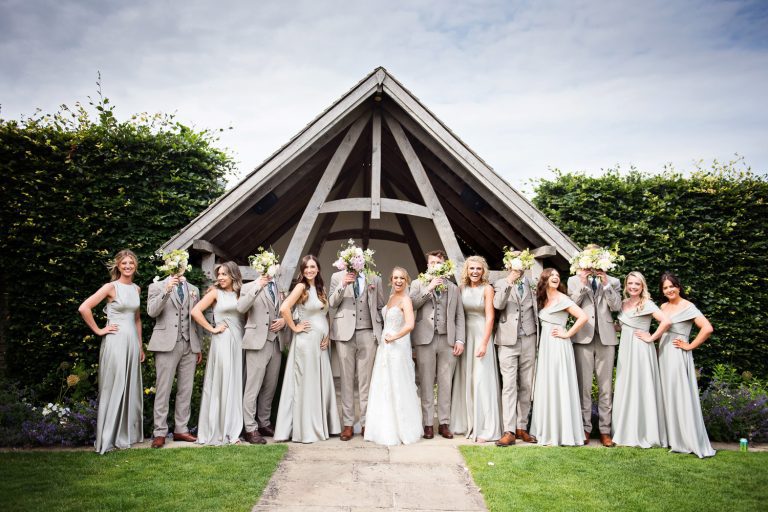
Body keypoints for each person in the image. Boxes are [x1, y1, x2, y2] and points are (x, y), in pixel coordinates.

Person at [78, 249, 144, 454]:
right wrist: (99, 330)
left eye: (131, 263)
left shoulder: (136, 289)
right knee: (114, 385)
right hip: (115, 342)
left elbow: (137, 319)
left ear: (135, 266)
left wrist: (140, 345)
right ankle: (107, 437)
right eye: (124, 263)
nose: (127, 266)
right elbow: (84, 308)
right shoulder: (110, 287)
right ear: (118, 266)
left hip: (132, 342)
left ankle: (124, 436)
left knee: (129, 386)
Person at [274, 255, 341, 443]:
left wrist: (327, 335)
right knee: (306, 383)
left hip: (320, 344)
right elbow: (284, 308)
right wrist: (295, 327)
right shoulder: (301, 287)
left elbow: (324, 315)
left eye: (313, 267)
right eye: (306, 267)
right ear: (302, 271)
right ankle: (305, 428)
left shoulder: (320, 289)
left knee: (319, 382)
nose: (309, 270)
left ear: (318, 269)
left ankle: (320, 423)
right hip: (306, 342)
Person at [567, 245, 622, 447]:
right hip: (583, 337)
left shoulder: (613, 281)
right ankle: (585, 428)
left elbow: (617, 306)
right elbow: (571, 305)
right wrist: (583, 283)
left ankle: (605, 430)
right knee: (584, 387)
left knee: (606, 387)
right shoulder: (573, 280)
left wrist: (606, 284)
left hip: (606, 338)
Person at [658, 272, 716, 458]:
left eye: (671, 286)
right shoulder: (663, 306)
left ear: (678, 287)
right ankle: (671, 437)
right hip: (662, 353)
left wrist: (689, 346)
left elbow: (707, 328)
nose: (669, 290)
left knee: (679, 393)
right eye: (665, 288)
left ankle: (685, 439)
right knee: (666, 393)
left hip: (677, 354)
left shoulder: (688, 306)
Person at [328, 253, 385, 441]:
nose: (355, 263)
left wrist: (382, 331)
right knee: (346, 380)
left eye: (358, 260)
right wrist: (343, 284)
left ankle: (366, 422)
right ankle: (348, 424)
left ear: (363, 261)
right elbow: (331, 303)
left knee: (365, 381)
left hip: (368, 333)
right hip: (344, 334)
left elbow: (380, 307)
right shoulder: (337, 277)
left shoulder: (375, 278)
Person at [409, 250, 466, 439]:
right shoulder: (417, 284)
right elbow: (411, 305)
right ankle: (427, 424)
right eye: (432, 263)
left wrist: (460, 340)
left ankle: (444, 423)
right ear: (428, 265)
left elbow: (459, 316)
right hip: (424, 339)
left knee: (445, 383)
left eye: (439, 263)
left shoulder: (453, 288)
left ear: (444, 265)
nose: (435, 266)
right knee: (426, 382)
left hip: (447, 340)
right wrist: (429, 288)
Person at [529, 268, 588, 446]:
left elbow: (583, 317)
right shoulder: (542, 299)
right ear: (544, 280)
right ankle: (546, 429)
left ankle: (562, 431)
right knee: (547, 384)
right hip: (546, 347)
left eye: (557, 276)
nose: (555, 278)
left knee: (559, 382)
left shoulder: (563, 299)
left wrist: (567, 333)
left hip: (558, 345)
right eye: (551, 275)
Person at [364, 267, 422, 445]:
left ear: (406, 281)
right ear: (391, 280)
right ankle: (383, 426)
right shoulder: (390, 298)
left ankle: (402, 428)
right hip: (385, 346)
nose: (398, 281)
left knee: (397, 383)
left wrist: (394, 337)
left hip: (397, 346)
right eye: (395, 278)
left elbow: (410, 324)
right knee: (384, 384)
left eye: (402, 278)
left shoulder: (406, 300)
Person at [147, 262, 202, 448]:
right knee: (163, 389)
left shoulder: (194, 289)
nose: (179, 268)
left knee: (186, 389)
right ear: (168, 266)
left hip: (189, 344)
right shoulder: (156, 286)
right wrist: (167, 290)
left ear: (185, 266)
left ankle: (181, 429)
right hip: (166, 344)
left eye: (182, 265)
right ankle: (160, 432)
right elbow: (152, 312)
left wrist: (198, 346)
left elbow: (196, 319)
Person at [612, 271, 670, 448]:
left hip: (641, 350)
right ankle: (626, 430)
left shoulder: (647, 303)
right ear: (626, 285)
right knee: (626, 385)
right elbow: (623, 325)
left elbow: (666, 322)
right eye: (630, 283)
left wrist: (651, 337)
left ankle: (645, 431)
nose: (633, 287)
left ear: (642, 286)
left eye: (637, 284)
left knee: (640, 386)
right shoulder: (623, 304)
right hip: (626, 349)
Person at [192, 261, 244, 445]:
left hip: (238, 341)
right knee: (222, 381)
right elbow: (195, 311)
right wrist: (212, 329)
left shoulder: (241, 293)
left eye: (224, 274)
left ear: (233, 275)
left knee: (234, 382)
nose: (220, 277)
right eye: (219, 274)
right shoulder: (215, 293)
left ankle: (232, 429)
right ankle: (219, 429)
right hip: (222, 341)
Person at [451, 256, 502, 442]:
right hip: (465, 336)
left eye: (478, 269)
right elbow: (457, 315)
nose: (475, 272)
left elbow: (490, 317)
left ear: (483, 271)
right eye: (472, 268)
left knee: (482, 380)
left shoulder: (487, 289)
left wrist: (484, 343)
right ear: (467, 270)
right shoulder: (461, 288)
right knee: (467, 378)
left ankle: (486, 428)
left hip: (481, 335)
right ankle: (465, 423)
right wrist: (458, 339)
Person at [492, 254, 539, 446]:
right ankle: (509, 430)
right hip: (507, 341)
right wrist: (509, 282)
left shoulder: (533, 284)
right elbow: (498, 305)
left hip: (529, 338)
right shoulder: (500, 283)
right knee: (509, 385)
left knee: (526, 385)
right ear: (509, 265)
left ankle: (522, 427)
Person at [237, 271, 287, 445]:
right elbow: (241, 308)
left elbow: (286, 310)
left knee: (270, 386)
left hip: (276, 342)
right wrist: (258, 286)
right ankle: (250, 428)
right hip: (256, 342)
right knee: (253, 387)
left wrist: (284, 321)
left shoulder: (280, 287)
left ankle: (264, 423)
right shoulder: (248, 286)